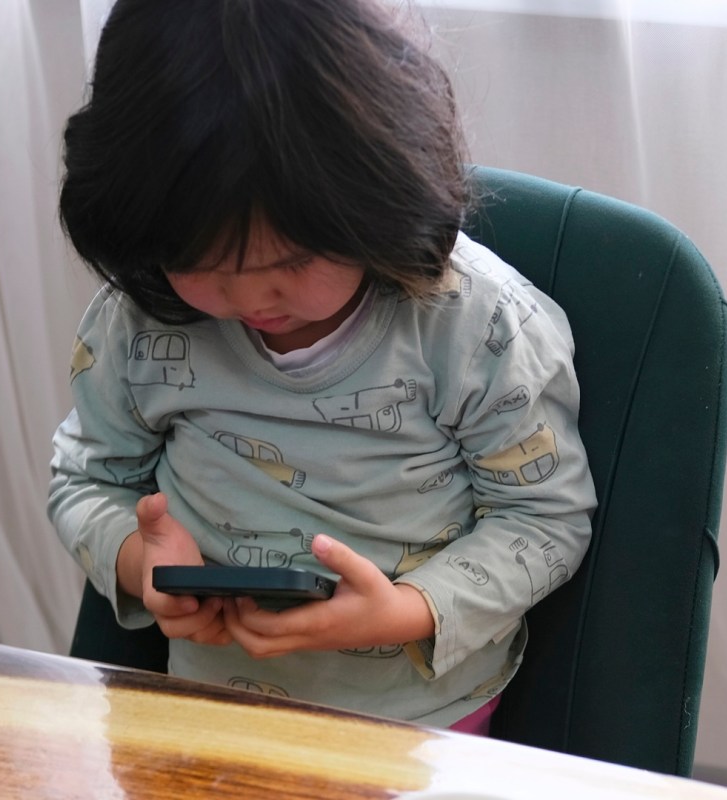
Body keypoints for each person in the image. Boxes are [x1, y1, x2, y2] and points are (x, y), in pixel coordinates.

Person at [48, 0, 595, 734]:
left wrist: (405, 612)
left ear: (377, 196)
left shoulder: (478, 327)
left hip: (421, 723)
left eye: (293, 262)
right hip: (208, 710)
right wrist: (137, 561)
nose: (248, 297)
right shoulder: (142, 322)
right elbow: (84, 476)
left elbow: (545, 516)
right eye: (198, 264)